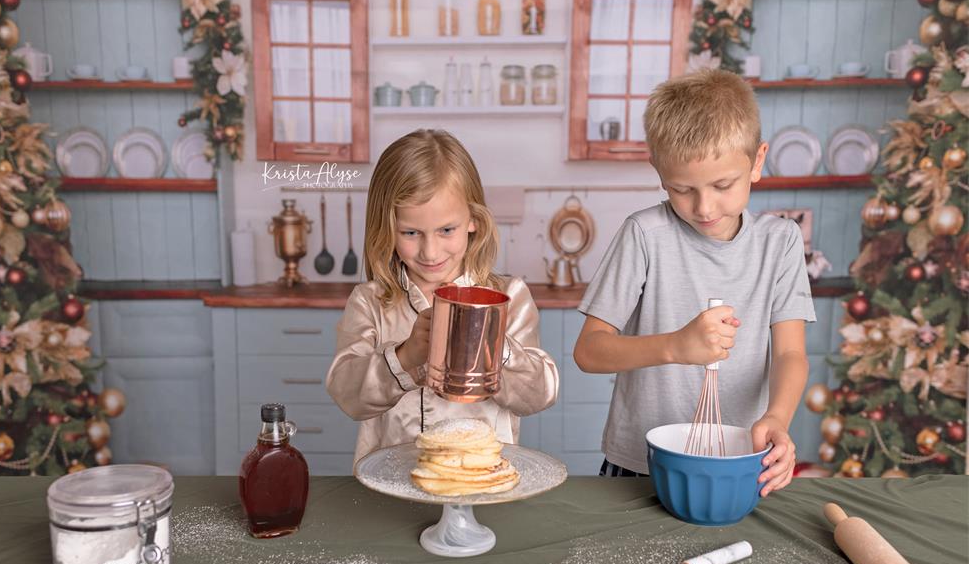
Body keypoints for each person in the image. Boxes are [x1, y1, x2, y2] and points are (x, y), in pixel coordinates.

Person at [573, 69, 815, 496]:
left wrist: (776, 417)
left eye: (723, 185)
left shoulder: (780, 242)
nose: (703, 207)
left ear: (757, 161)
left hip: (738, 459)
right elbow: (589, 351)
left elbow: (791, 354)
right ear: (657, 169)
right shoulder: (645, 235)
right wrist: (675, 346)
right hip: (638, 464)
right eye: (681, 189)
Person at [327, 129, 559, 463]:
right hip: (390, 486)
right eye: (410, 233)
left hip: (480, 486)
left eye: (446, 230)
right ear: (386, 229)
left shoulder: (509, 297)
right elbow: (347, 395)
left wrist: (490, 341)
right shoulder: (370, 301)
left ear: (473, 222)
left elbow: (540, 394)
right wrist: (406, 357)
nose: (430, 251)